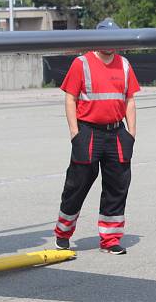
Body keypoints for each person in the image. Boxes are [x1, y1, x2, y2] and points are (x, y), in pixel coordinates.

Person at [52, 18, 140, 255]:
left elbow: (130, 99)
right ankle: (63, 232)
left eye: (114, 39)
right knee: (77, 184)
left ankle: (110, 240)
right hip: (88, 132)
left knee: (117, 186)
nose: (110, 43)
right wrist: (74, 133)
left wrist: (131, 133)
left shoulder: (124, 65)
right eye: (105, 38)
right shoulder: (81, 63)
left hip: (117, 133)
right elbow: (70, 98)